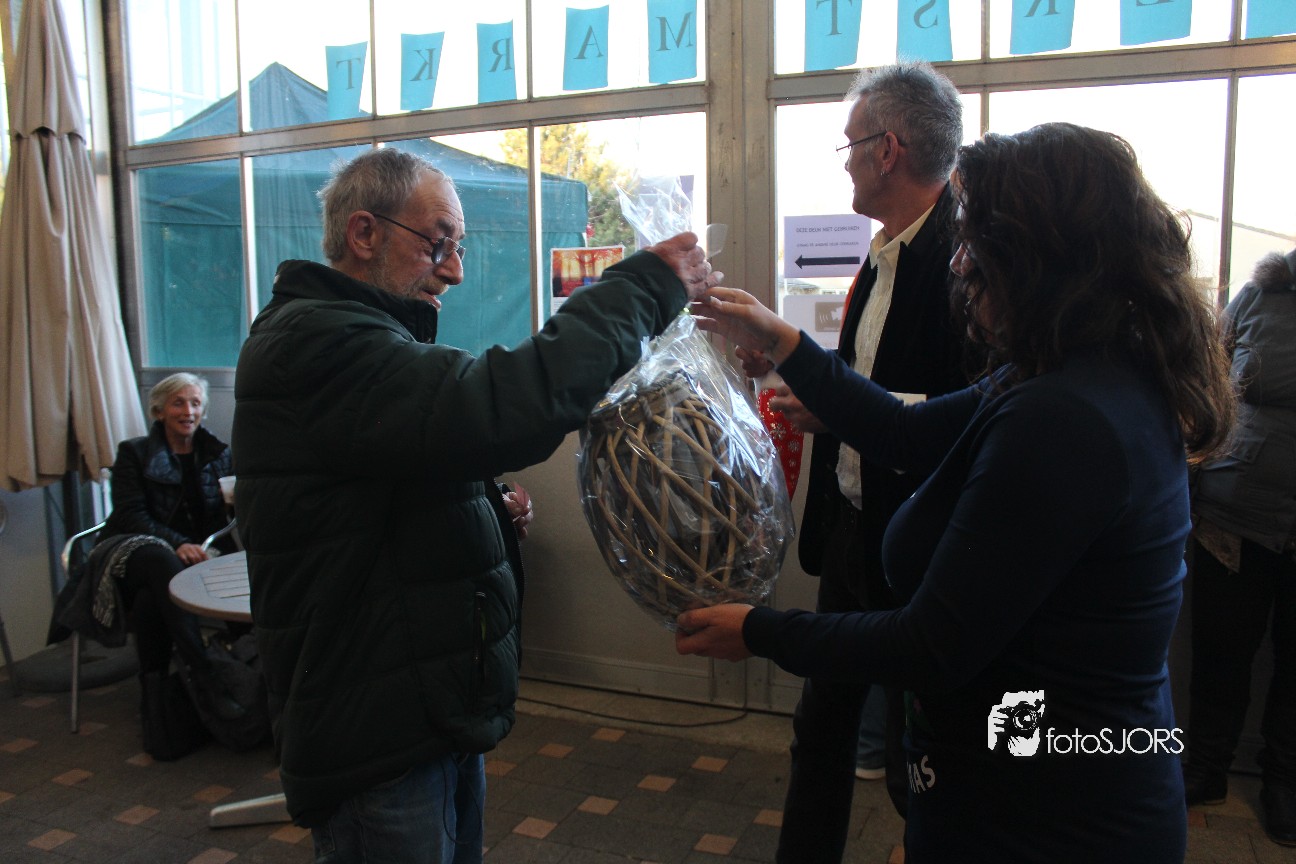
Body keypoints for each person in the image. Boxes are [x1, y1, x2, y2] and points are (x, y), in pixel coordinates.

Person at [677, 122, 1236, 862]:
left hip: (1052, 816)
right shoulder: (1070, 374)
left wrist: (760, 632)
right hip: (1023, 784)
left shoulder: (1065, 419)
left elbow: (932, 644)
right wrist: (782, 338)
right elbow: (902, 432)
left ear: (1037, 255)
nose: (961, 263)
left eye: (976, 242)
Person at [231, 147, 717, 862]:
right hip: (375, 731)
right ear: (364, 233)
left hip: (420, 707)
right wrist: (644, 287)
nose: (454, 270)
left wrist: (483, 505)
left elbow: (387, 482)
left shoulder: (357, 337)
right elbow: (500, 407)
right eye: (439, 244)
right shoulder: (317, 342)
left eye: (458, 248)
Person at [741, 61, 970, 857]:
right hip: (851, 526)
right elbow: (868, 379)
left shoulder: (965, 262)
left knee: (921, 756)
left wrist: (824, 383)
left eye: (849, 147)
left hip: (919, 540)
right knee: (822, 729)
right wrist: (817, 396)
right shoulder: (882, 251)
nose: (844, 164)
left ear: (887, 150)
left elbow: (967, 412)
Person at [1183, 246, 1296, 846]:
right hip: (1234, 515)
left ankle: (1286, 783)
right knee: (1221, 653)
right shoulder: (1259, 297)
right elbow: (1206, 384)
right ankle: (1205, 769)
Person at [94, 373, 242, 740]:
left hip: (187, 560)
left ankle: (162, 704)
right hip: (135, 551)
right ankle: (204, 671)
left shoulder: (218, 453)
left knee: (153, 601)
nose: (188, 411)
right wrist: (178, 543)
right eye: (178, 403)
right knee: (163, 562)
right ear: (159, 411)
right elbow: (130, 515)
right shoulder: (134, 453)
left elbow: (223, 522)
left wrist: (238, 504)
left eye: (195, 403)